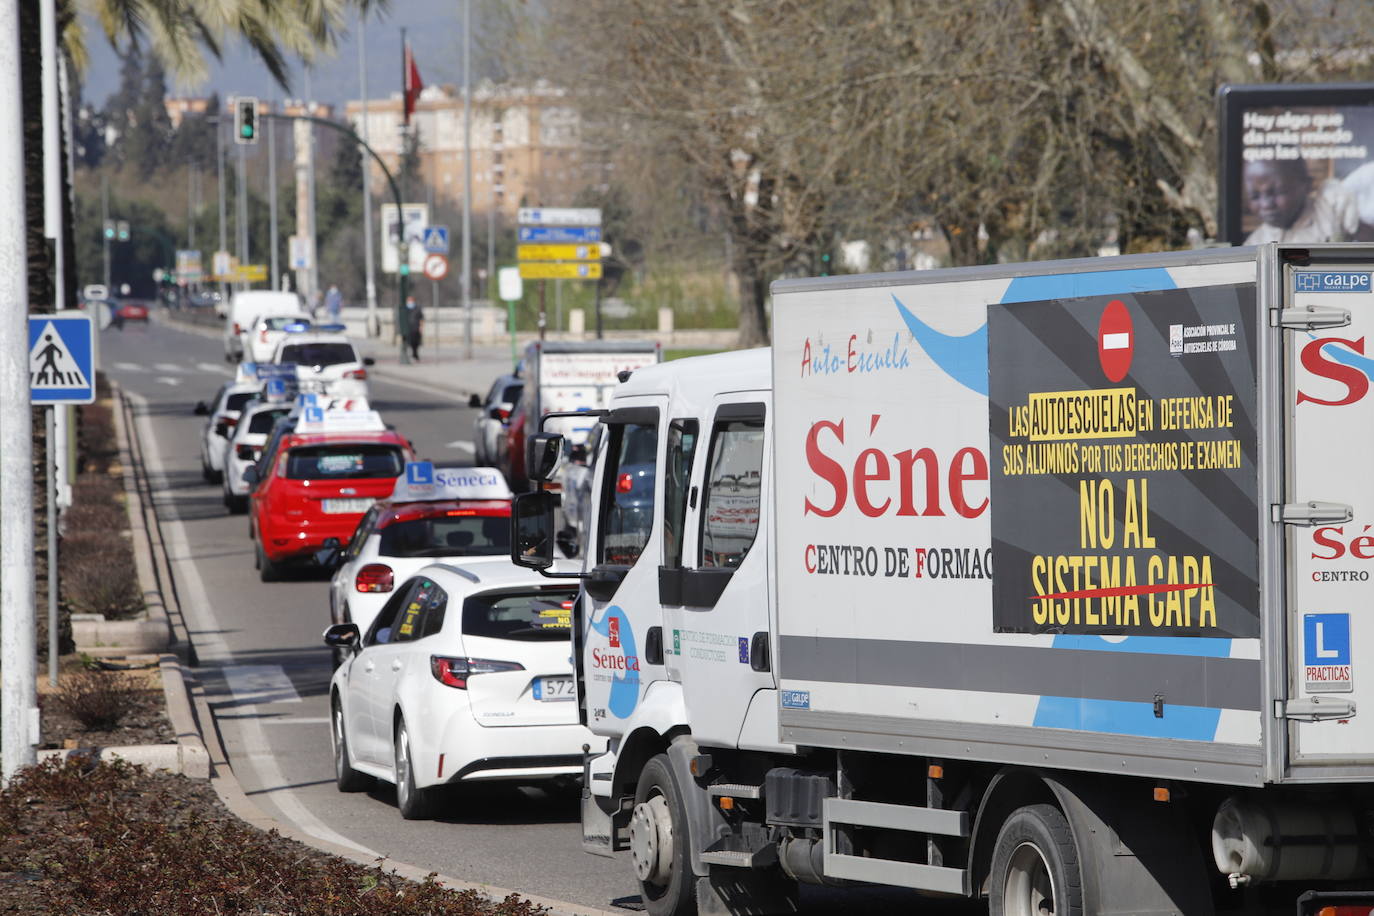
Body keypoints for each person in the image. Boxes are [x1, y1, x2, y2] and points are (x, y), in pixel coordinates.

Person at [1243, 158, 1374, 244]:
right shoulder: (1255, 243)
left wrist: (1349, 224)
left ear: (1307, 185)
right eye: (1255, 196)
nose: (1266, 205)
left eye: (1278, 192)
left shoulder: (1330, 210)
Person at [404, 295, 424, 362]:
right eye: (409, 300)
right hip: (408, 328)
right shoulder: (405, 308)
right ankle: (413, 355)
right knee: (410, 342)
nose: (410, 302)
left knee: (416, 343)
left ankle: (415, 355)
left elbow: (421, 318)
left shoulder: (417, 308)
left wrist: (421, 327)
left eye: (411, 300)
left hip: (416, 328)